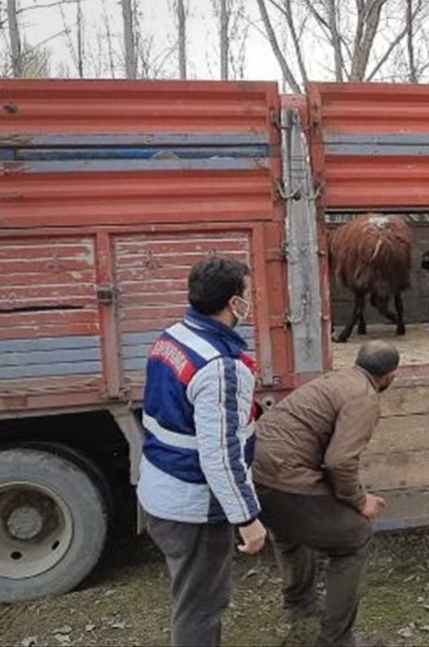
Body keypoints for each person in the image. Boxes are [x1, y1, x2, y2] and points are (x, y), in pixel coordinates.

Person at [137, 257, 268, 647]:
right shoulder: (220, 366)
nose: (252, 299)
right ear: (233, 303)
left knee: (191, 599)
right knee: (201, 607)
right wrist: (248, 518)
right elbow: (220, 454)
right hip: (192, 507)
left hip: (161, 488)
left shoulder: (174, 337)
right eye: (249, 293)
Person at [251, 340, 400, 647]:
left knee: (292, 527)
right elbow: (340, 461)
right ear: (391, 375)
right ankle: (336, 640)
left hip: (253, 470)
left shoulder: (335, 380)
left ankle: (299, 603)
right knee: (355, 537)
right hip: (285, 475)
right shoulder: (364, 397)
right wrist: (360, 501)